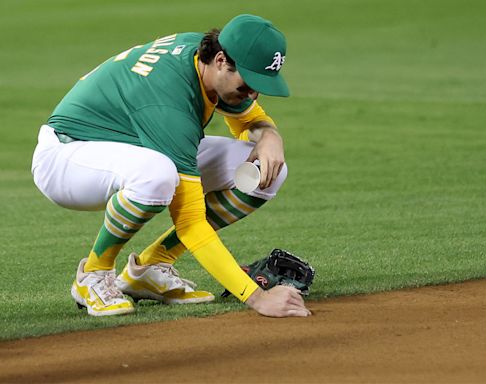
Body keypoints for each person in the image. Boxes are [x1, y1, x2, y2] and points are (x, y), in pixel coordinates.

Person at [31, 14, 311, 318]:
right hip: (68, 157)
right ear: (221, 60)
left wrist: (269, 135)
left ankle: (152, 267)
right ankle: (94, 275)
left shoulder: (203, 59)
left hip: (132, 145)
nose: (252, 95)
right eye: (248, 84)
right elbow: (190, 223)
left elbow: (247, 119)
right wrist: (256, 298)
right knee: (157, 176)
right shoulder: (169, 102)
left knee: (268, 173)